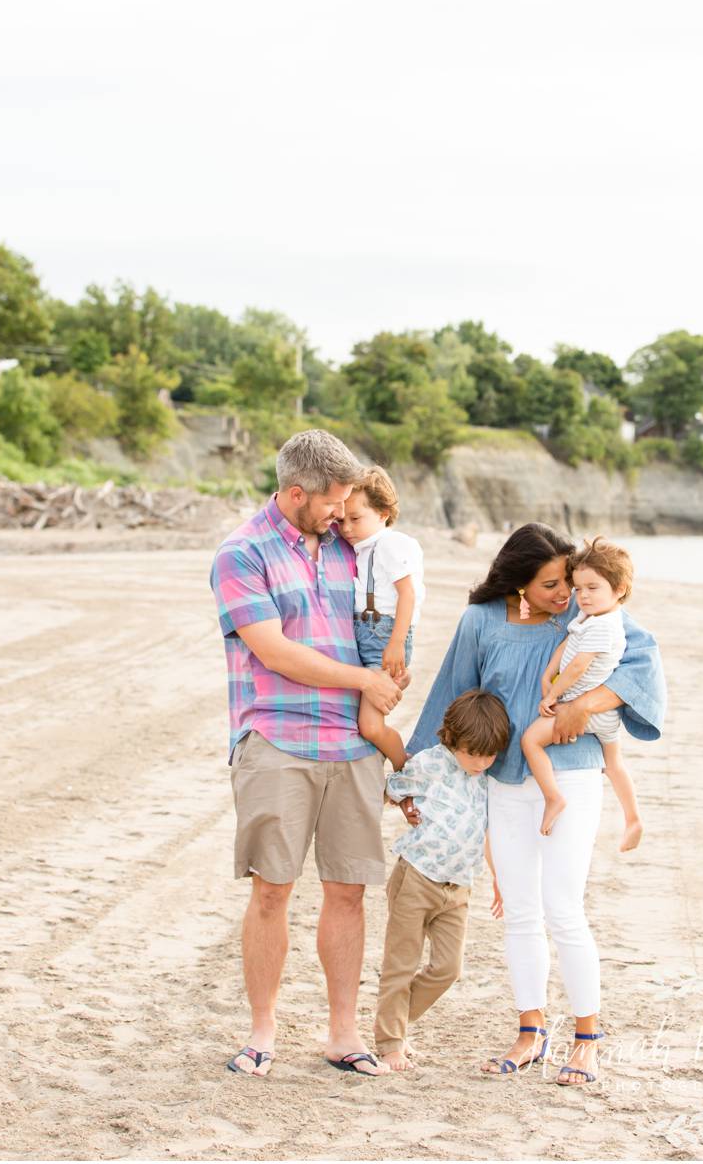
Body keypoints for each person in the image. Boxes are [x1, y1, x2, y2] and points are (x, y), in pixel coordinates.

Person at [400, 523, 667, 1089]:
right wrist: (412, 780)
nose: (566, 593)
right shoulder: (481, 622)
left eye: (569, 581)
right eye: (552, 583)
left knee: (564, 908)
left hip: (571, 776)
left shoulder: (587, 619)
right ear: (521, 582)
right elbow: (451, 694)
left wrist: (586, 704)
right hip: (503, 780)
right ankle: (530, 1032)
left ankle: (587, 1040)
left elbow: (642, 665)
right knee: (520, 912)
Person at [211, 429, 407, 1079]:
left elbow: (395, 611)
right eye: (332, 501)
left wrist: (388, 679)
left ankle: (342, 1034)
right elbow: (273, 651)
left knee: (349, 890)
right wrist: (363, 681)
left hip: (353, 745)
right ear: (297, 493)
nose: (340, 513)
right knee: (272, 890)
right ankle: (263, 1031)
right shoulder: (242, 554)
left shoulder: (356, 550)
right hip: (276, 740)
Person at [371, 688, 510, 1072]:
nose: (482, 762)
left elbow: (484, 831)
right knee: (401, 962)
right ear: (452, 740)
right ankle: (390, 1041)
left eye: (490, 755)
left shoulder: (486, 779)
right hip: (417, 876)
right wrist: (406, 804)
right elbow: (392, 787)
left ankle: (394, 1023)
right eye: (474, 754)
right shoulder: (431, 764)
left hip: (459, 886)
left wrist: (499, 877)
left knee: (448, 969)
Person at [522, 536, 645, 850]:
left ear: (619, 590)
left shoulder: (605, 625)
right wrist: (548, 672)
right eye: (578, 588)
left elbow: (577, 666)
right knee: (614, 764)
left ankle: (553, 798)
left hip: (589, 711)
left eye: (593, 588)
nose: (582, 596)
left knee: (531, 740)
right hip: (604, 716)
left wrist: (551, 697)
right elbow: (568, 644)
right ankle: (632, 817)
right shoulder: (591, 617)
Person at [335, 465, 425, 771]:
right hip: (367, 636)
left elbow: (408, 594)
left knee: (370, 727)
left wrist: (396, 644)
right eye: (341, 520)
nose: (346, 528)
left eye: (355, 519)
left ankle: (405, 766)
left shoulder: (391, 544)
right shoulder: (360, 549)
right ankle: (401, 679)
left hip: (384, 637)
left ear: (384, 513)